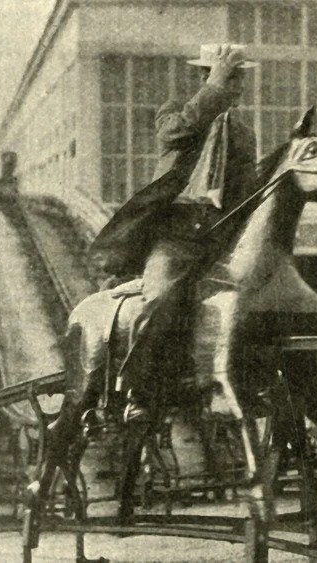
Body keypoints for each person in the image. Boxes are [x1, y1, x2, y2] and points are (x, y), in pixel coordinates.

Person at [89, 44, 259, 422]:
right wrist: (213, 88)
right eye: (229, 77)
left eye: (239, 78)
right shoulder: (174, 114)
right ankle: (137, 391)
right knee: (162, 297)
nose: (237, 86)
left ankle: (226, 385)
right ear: (206, 77)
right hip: (174, 236)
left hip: (215, 238)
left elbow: (245, 193)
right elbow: (174, 137)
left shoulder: (244, 136)